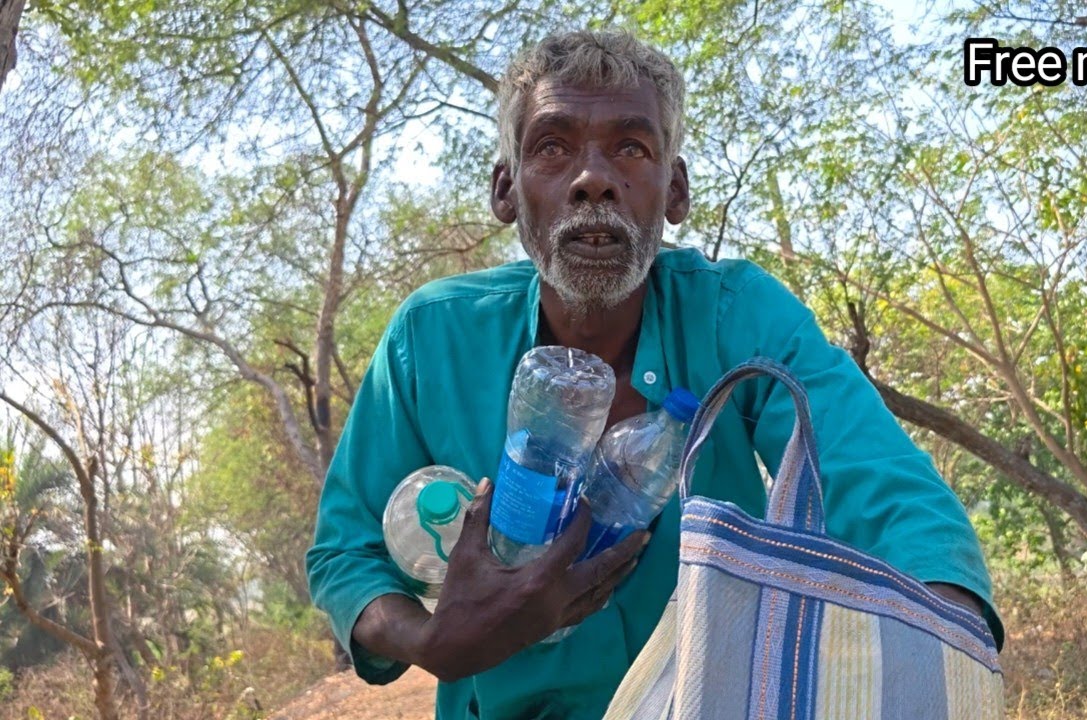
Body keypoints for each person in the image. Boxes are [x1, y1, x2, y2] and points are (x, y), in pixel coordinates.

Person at [306, 28, 1002, 720]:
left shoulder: (738, 316)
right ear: (505, 190)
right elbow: (346, 550)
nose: (593, 179)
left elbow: (876, 480)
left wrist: (949, 636)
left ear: (674, 190)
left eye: (631, 149)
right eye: (552, 147)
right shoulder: (432, 336)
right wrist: (434, 642)